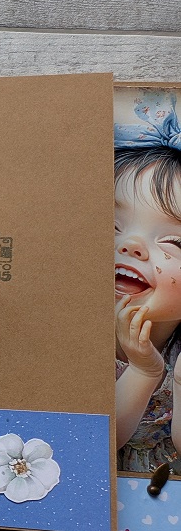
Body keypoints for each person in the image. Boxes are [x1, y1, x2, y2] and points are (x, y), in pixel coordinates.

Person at [115, 91, 181, 476]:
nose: (131, 245)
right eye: (112, 226)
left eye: (173, 242)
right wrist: (142, 371)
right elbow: (95, 439)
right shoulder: (73, 342)